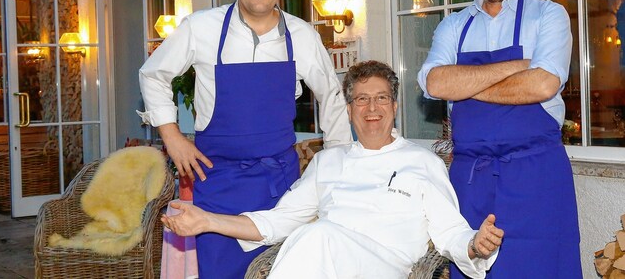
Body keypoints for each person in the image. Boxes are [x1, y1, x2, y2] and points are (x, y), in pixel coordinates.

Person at [162, 60, 504, 279]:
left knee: (317, 235)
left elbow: (450, 232)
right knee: (314, 238)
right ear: (350, 109)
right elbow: (276, 222)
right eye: (362, 99)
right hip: (324, 265)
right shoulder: (329, 161)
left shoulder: (422, 162)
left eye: (382, 98)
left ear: (395, 107)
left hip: (388, 267)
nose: (372, 108)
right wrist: (206, 220)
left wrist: (475, 245)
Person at [138, 0, 352, 278]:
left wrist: (336, 168)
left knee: (281, 271)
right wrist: (172, 135)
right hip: (217, 181)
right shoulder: (201, 27)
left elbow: (333, 99)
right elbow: (153, 74)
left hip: (279, 188)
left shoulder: (303, 36)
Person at [417, 0, 582, 278]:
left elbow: (542, 85)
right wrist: (516, 69)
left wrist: (463, 82)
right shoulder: (453, 26)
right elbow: (434, 81)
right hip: (471, 182)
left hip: (537, 178)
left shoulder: (548, 16)